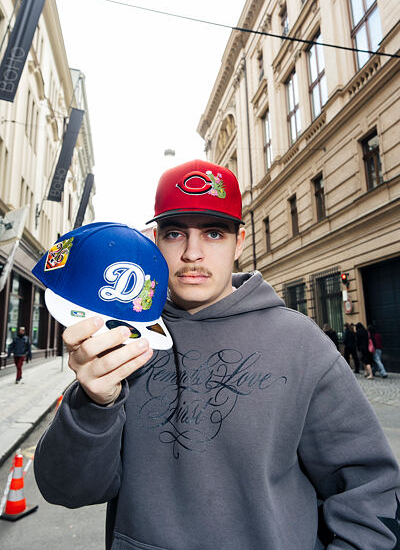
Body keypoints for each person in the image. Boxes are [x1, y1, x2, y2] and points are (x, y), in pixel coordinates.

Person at [34, 159, 400, 550]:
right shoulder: (123, 338)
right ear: (155, 241)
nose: (193, 253)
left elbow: (369, 490)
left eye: (213, 233)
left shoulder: (301, 344)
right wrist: (93, 404)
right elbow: (67, 490)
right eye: (175, 233)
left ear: (239, 242)